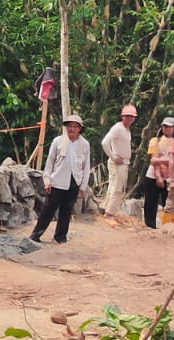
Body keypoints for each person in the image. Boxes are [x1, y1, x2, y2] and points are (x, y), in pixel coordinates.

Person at [31, 115, 92, 244]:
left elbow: (86, 167)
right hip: (57, 180)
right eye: (69, 126)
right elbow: (50, 162)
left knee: (66, 211)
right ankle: (36, 234)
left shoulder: (84, 144)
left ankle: (60, 237)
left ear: (79, 128)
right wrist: (47, 180)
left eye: (75, 126)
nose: (72, 129)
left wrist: (83, 186)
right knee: (48, 209)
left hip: (74, 181)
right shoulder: (58, 141)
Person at [102, 105, 138, 217]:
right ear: (123, 116)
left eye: (132, 116)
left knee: (113, 187)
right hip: (118, 162)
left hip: (123, 162)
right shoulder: (118, 128)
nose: (130, 118)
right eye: (127, 116)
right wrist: (113, 156)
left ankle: (106, 209)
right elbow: (105, 142)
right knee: (118, 189)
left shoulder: (126, 130)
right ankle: (110, 213)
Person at [143, 117, 174, 229]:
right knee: (150, 203)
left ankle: (168, 226)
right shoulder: (155, 141)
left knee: (168, 202)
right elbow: (154, 160)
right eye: (164, 126)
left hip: (170, 177)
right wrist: (158, 175)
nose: (166, 128)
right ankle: (150, 226)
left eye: (168, 126)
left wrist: (165, 160)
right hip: (153, 175)